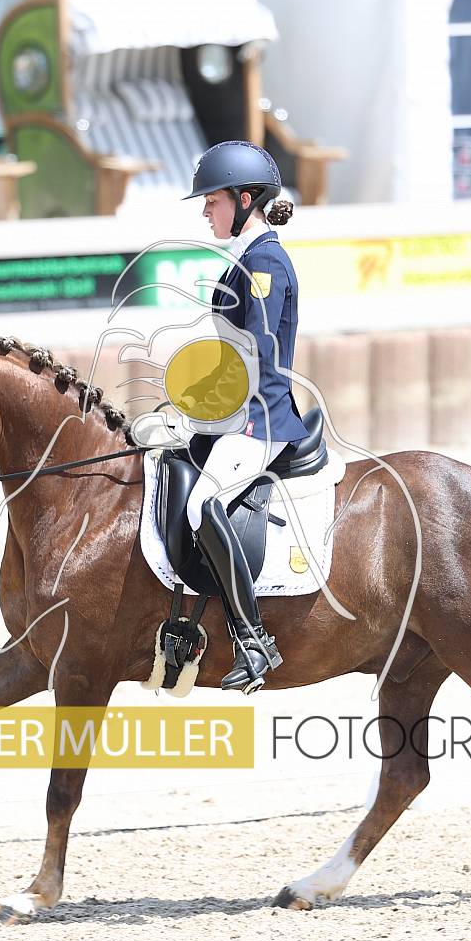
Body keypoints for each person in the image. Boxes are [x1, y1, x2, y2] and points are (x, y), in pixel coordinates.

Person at [182, 140, 308, 693]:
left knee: (202, 504)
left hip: (261, 419)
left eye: (212, 201)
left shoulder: (264, 263)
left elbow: (255, 355)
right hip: (235, 413)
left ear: (245, 199)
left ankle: (254, 641)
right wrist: (187, 401)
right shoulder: (245, 258)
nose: (205, 212)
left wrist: (206, 401)